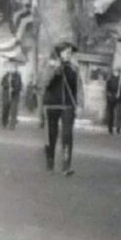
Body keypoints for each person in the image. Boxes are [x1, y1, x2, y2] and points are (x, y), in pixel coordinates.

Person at [42, 44, 81, 175]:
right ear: (59, 53)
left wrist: (79, 104)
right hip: (52, 104)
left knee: (67, 134)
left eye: (70, 52)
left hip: (68, 105)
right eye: (66, 52)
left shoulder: (74, 68)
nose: (68, 55)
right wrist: (54, 70)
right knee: (51, 134)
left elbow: (78, 88)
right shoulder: (50, 66)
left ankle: (66, 165)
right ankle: (50, 161)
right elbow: (44, 83)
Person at [103, 68, 121, 135]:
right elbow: (107, 89)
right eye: (116, 72)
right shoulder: (110, 79)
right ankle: (110, 128)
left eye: (118, 72)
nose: (117, 73)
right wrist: (110, 95)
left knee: (118, 114)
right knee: (111, 114)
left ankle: (118, 129)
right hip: (112, 99)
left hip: (119, 99)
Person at [0, 63, 22, 128]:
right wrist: (7, 85)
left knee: (13, 110)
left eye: (13, 68)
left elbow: (19, 86)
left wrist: (14, 89)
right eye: (10, 67)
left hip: (14, 96)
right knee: (5, 109)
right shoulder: (6, 75)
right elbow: (2, 83)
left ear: (15, 68)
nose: (11, 69)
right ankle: (4, 122)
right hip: (6, 96)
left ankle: (12, 124)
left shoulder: (18, 76)